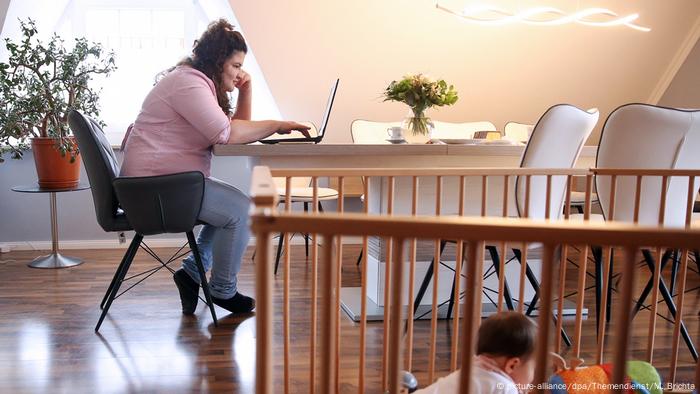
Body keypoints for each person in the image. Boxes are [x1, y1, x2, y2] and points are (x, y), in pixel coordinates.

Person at [120, 19, 310, 316]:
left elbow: (233, 132)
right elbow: (227, 135)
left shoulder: (195, 82)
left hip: (162, 184)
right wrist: (277, 124)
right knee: (240, 209)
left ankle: (192, 274)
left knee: (232, 206)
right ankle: (223, 289)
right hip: (155, 190)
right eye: (235, 66)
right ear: (218, 60)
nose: (239, 73)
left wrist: (245, 91)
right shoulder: (189, 83)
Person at [415, 311, 537, 393]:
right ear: (512, 365)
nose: (533, 377)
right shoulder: (505, 388)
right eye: (533, 368)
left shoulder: (471, 371)